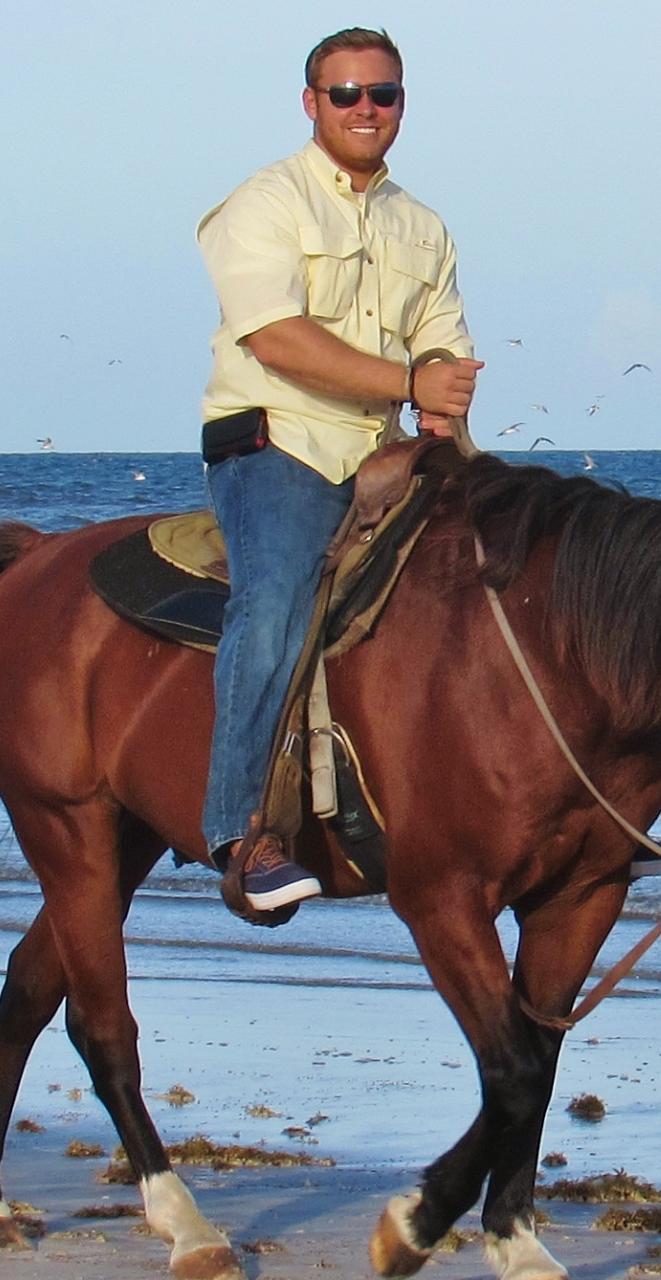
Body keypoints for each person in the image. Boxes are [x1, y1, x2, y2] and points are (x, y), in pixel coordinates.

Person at [195, 27, 479, 921]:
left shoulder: (422, 226)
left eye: (383, 94)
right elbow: (275, 337)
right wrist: (407, 381)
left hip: (385, 452)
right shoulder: (264, 203)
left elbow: (444, 336)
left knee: (514, 580)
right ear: (312, 103)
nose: (366, 109)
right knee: (276, 603)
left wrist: (441, 397)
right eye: (346, 94)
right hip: (281, 443)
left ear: (401, 104)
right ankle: (245, 833)